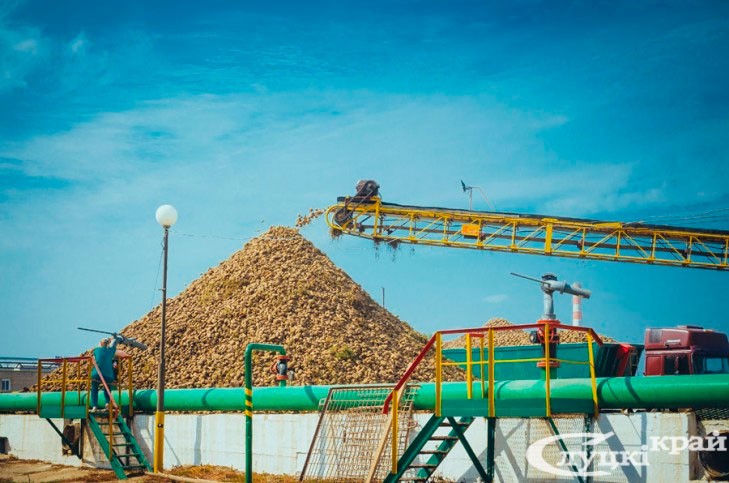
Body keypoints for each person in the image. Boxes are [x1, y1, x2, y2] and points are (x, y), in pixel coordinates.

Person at [90, 337, 121, 411]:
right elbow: (114, 345)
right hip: (108, 375)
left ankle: (94, 406)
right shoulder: (111, 351)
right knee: (107, 388)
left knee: (94, 388)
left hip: (97, 374)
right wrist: (114, 339)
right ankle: (107, 403)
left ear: (101, 343)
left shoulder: (97, 350)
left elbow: (94, 357)